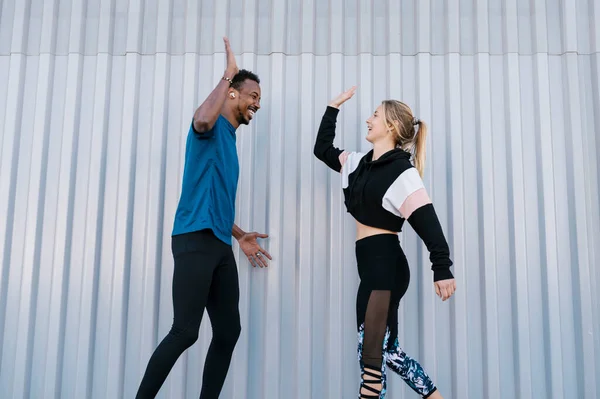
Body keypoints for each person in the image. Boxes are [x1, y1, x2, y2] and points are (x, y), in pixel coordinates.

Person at [136, 37, 272, 399]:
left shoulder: (229, 138)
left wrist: (240, 234)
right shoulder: (209, 128)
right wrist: (227, 75)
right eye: (253, 95)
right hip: (194, 238)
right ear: (233, 94)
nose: (257, 102)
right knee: (186, 331)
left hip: (217, 241)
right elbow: (199, 119)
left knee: (228, 331)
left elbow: (214, 197)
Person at [313, 86, 456, 399]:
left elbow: (429, 224)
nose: (368, 119)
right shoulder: (357, 164)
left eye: (374, 115)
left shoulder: (402, 173)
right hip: (371, 269)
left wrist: (441, 268)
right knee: (387, 353)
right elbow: (322, 149)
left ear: (390, 126)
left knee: (371, 365)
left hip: (386, 269)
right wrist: (332, 107)